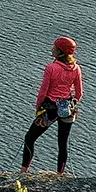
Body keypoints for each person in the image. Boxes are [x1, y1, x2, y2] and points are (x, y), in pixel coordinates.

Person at [22, 36, 83, 174]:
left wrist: (38, 108)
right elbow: (79, 93)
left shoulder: (51, 68)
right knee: (62, 143)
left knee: (29, 138)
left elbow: (43, 91)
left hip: (49, 109)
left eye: (54, 47)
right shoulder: (76, 69)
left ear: (60, 51)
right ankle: (60, 174)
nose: (52, 49)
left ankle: (24, 171)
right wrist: (72, 104)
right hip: (67, 109)